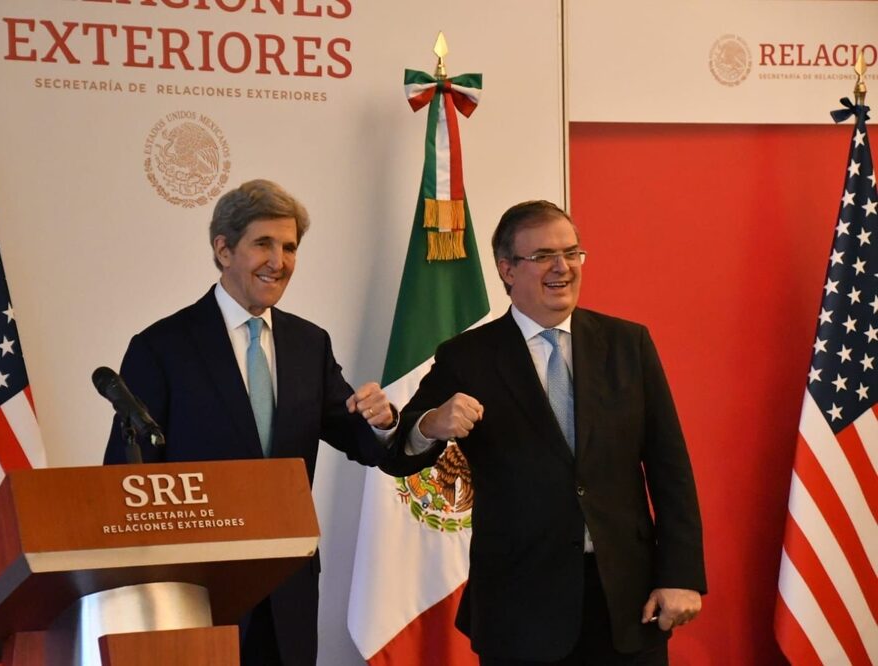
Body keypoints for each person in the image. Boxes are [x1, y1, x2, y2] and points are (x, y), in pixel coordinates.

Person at [383, 200, 706, 665]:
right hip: (519, 606)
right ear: (507, 270)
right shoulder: (467, 356)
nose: (563, 267)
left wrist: (681, 574)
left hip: (625, 602)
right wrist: (431, 423)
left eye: (572, 253)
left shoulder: (628, 344)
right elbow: (398, 454)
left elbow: (670, 466)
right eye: (543, 257)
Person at [103, 179, 396, 666]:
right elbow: (128, 478)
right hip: (197, 593)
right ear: (223, 249)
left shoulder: (309, 344)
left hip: (288, 590)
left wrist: (381, 420)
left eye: (289, 247)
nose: (278, 262)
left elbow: (363, 442)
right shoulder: (162, 347)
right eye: (263, 244)